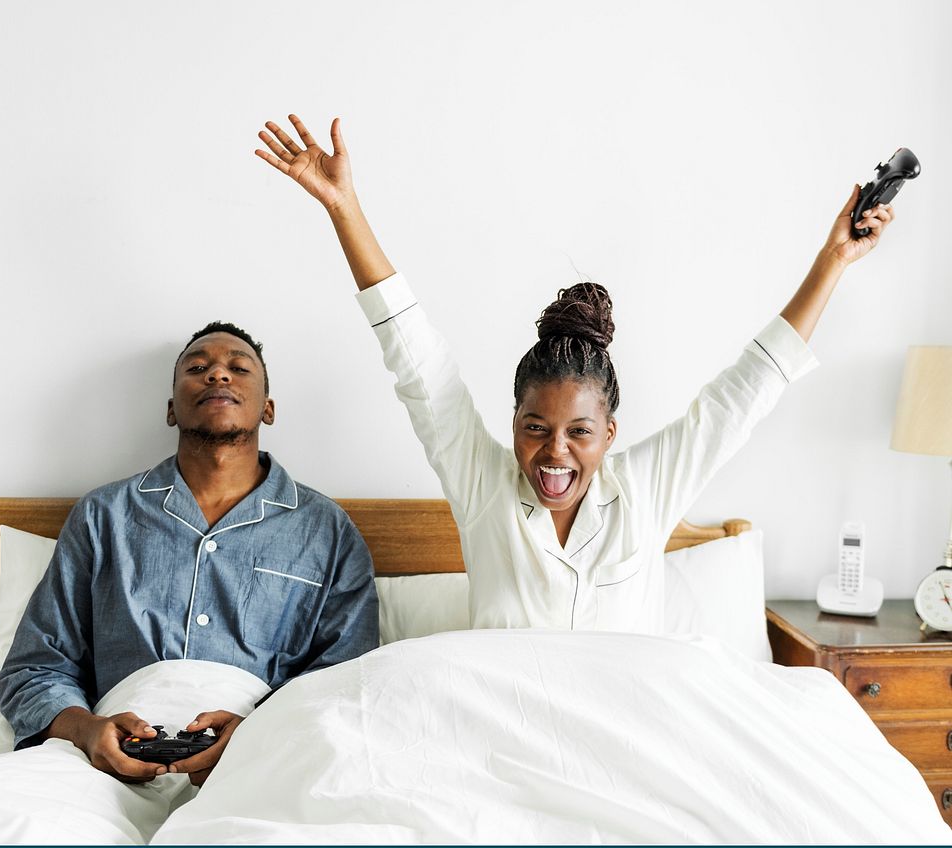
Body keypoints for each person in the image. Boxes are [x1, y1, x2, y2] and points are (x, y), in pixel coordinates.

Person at [255, 114, 893, 633]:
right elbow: (414, 355)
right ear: (514, 423)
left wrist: (833, 260)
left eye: (578, 432)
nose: (553, 453)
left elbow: (748, 390)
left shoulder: (647, 489)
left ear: (610, 433)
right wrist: (344, 207)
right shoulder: (482, 486)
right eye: (536, 427)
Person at [0, 321, 378, 789]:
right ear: (172, 409)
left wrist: (256, 728)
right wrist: (86, 731)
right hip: (105, 765)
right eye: (199, 368)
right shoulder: (102, 516)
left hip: (265, 755)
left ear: (268, 409)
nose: (218, 375)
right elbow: (33, 667)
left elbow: (347, 679)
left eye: (238, 367)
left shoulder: (326, 529)